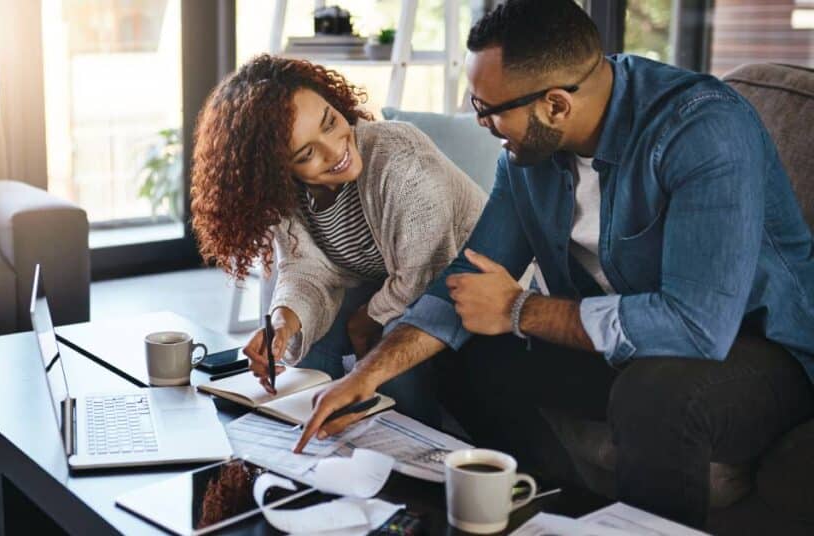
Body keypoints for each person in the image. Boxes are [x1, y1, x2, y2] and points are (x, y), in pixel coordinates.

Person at [295, 0, 814, 528]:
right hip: (628, 346)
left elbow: (697, 327)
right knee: (462, 353)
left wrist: (521, 309)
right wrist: (365, 375)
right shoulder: (529, 158)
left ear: (557, 105)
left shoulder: (702, 131)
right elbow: (468, 282)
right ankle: (554, 512)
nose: (481, 122)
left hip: (758, 351)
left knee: (654, 395)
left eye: (488, 108)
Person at [190, 55, 487, 425]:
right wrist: (283, 324)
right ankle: (315, 439)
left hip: (460, 284)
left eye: (331, 122)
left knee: (391, 337)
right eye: (307, 153)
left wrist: (366, 321)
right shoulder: (289, 194)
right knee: (311, 347)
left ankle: (412, 451)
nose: (335, 150)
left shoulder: (401, 162)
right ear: (278, 172)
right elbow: (308, 269)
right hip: (394, 280)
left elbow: (424, 276)